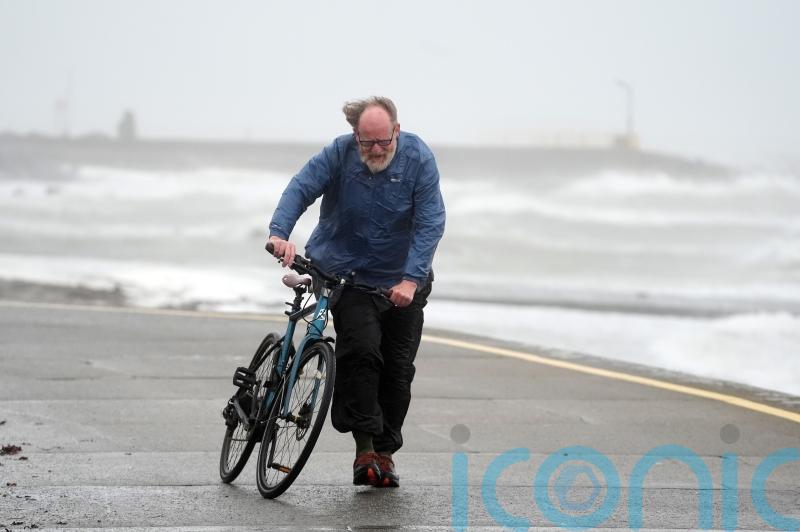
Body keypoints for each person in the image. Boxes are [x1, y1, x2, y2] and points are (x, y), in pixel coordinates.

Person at [267, 96, 445, 488]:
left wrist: (411, 280)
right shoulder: (339, 153)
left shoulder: (418, 159)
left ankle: (385, 454)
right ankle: (364, 450)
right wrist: (280, 233)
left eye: (384, 142)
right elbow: (301, 188)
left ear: (396, 131)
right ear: (355, 136)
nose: (376, 150)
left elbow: (431, 221)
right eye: (368, 143)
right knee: (362, 353)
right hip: (347, 274)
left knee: (398, 372)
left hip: (402, 280)